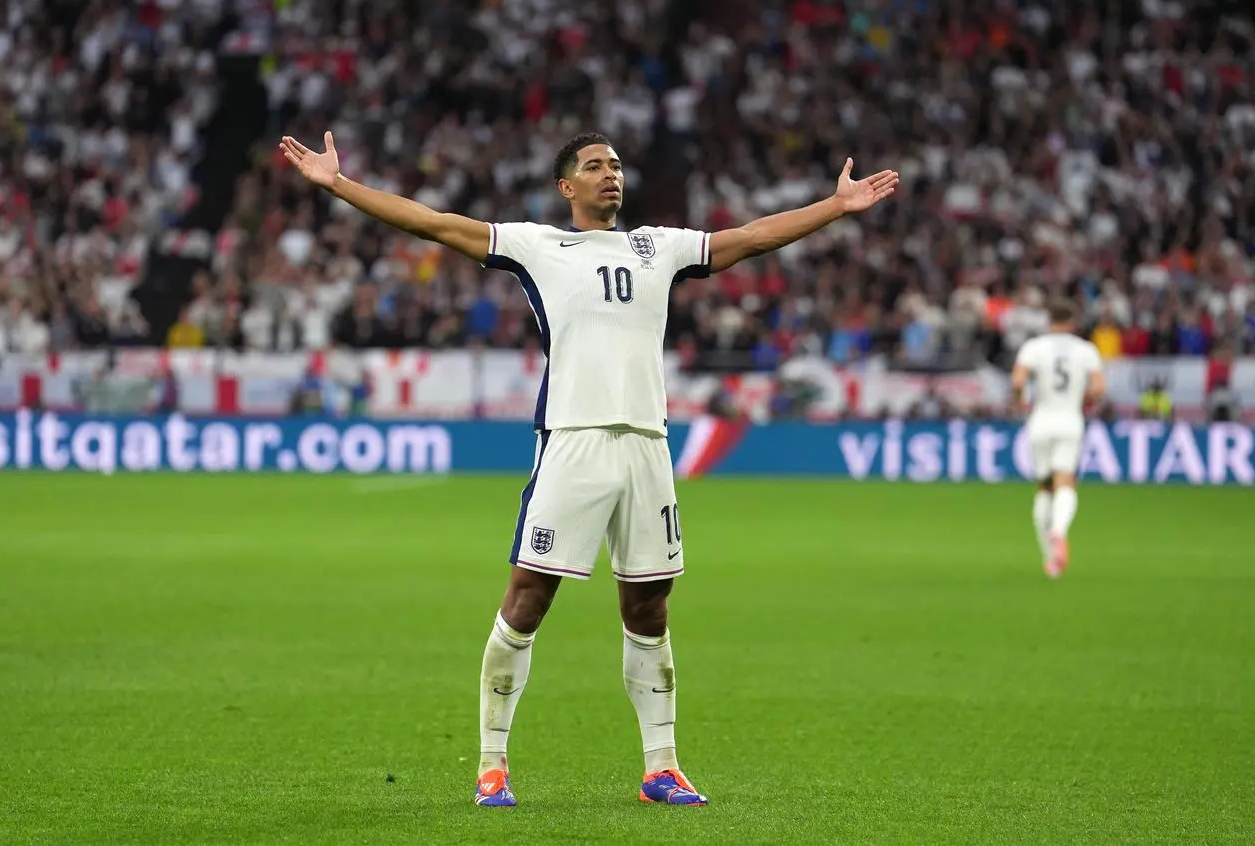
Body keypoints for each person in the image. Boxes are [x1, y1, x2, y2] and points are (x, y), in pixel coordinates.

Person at [279, 129, 899, 807]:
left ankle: (661, 767)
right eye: (594, 166)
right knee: (528, 598)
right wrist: (338, 185)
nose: (611, 175)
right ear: (565, 187)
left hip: (646, 444)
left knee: (649, 606)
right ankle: (492, 765)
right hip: (572, 440)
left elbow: (748, 238)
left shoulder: (657, 247)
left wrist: (833, 208)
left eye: (616, 165)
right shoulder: (536, 246)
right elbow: (431, 223)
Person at [1011, 300, 1106, 579]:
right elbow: (1099, 387)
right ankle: (1058, 532)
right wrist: (1084, 400)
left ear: (1048, 321)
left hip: (1040, 421)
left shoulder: (1034, 347)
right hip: (1070, 421)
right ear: (1073, 322)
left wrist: (1018, 403)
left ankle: (1051, 561)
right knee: (1065, 481)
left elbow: (1018, 382)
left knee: (1044, 488)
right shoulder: (1085, 349)